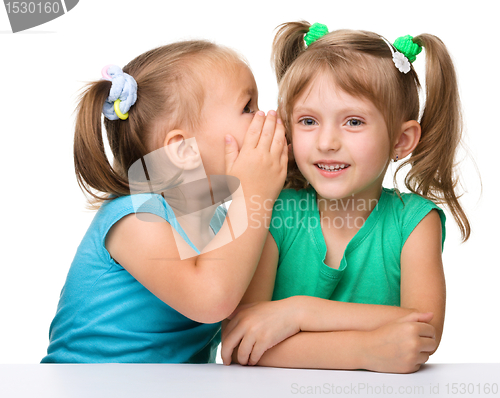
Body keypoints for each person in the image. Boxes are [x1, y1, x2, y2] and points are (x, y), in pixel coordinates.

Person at [221, 21, 471, 374]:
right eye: (308, 121)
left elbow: (421, 333)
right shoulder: (275, 212)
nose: (326, 142)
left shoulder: (414, 222)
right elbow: (239, 342)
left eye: (353, 122)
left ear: (401, 140)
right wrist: (366, 350)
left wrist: (297, 312)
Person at [41, 40, 287, 363]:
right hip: (85, 385)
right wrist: (254, 195)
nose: (264, 118)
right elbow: (212, 299)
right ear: (182, 150)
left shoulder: (216, 221)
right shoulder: (135, 218)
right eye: (248, 108)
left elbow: (243, 322)